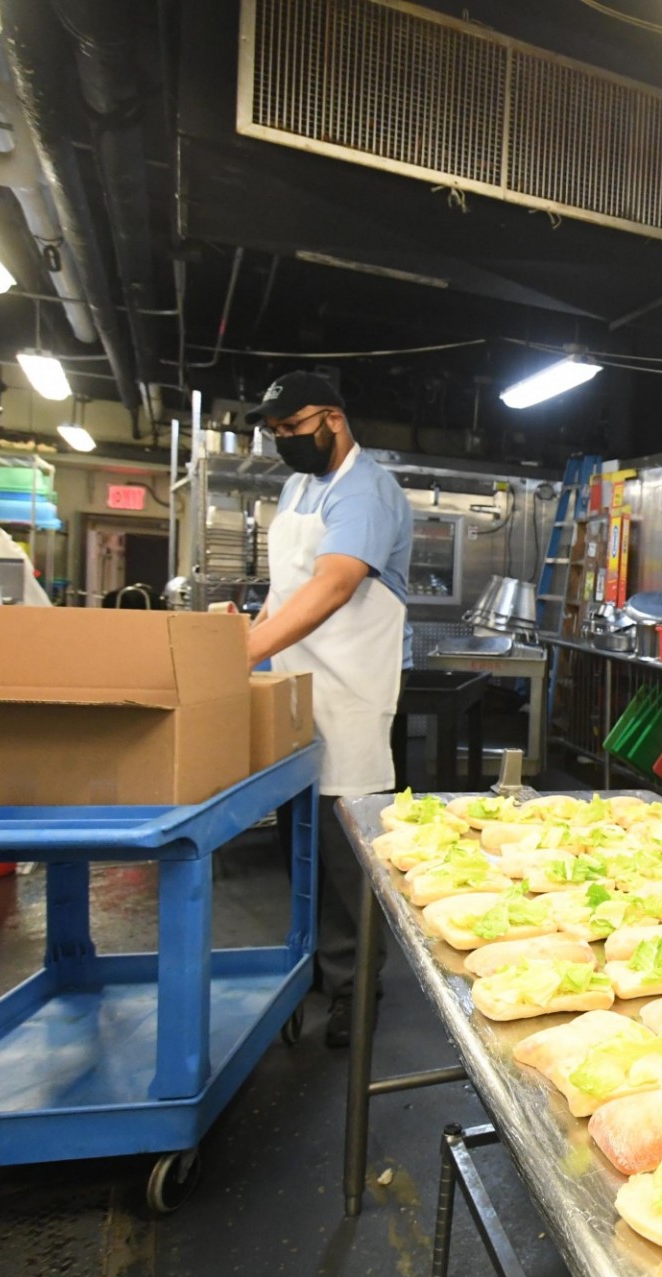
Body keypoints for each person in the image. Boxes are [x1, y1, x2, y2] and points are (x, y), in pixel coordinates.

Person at [246, 371, 413, 1048]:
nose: (287, 441)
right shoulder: (295, 488)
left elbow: (337, 582)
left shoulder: (369, 491)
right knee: (300, 849)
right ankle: (316, 969)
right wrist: (252, 647)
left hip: (346, 702)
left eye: (295, 427)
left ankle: (356, 989)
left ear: (334, 419)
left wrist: (247, 649)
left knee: (345, 865)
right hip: (293, 700)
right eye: (278, 432)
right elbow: (287, 590)